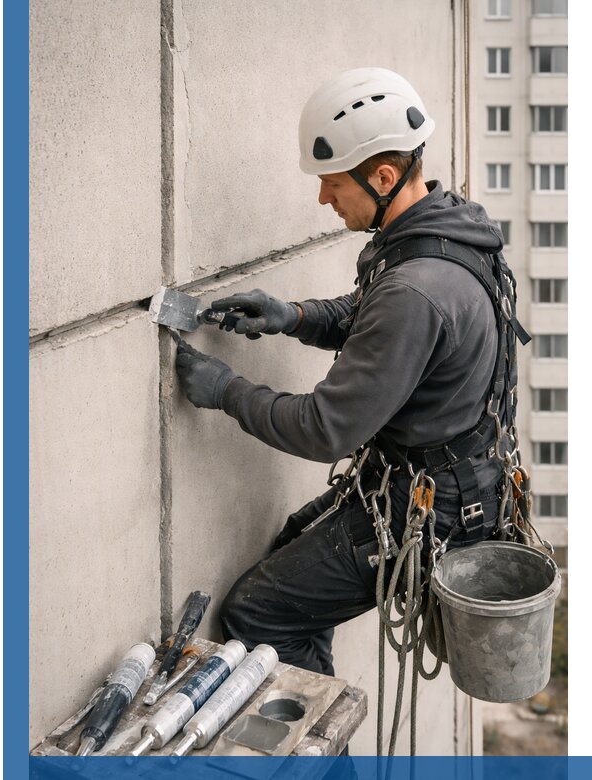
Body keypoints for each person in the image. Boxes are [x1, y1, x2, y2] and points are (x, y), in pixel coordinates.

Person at [173, 68, 522, 677]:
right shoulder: (443, 231)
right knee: (291, 553)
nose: (323, 199)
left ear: (382, 177)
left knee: (260, 613)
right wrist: (292, 317)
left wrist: (225, 389)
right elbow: (374, 322)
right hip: (452, 483)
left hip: (429, 506)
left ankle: (320, 759)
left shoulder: (416, 287)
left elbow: (324, 429)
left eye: (333, 184)